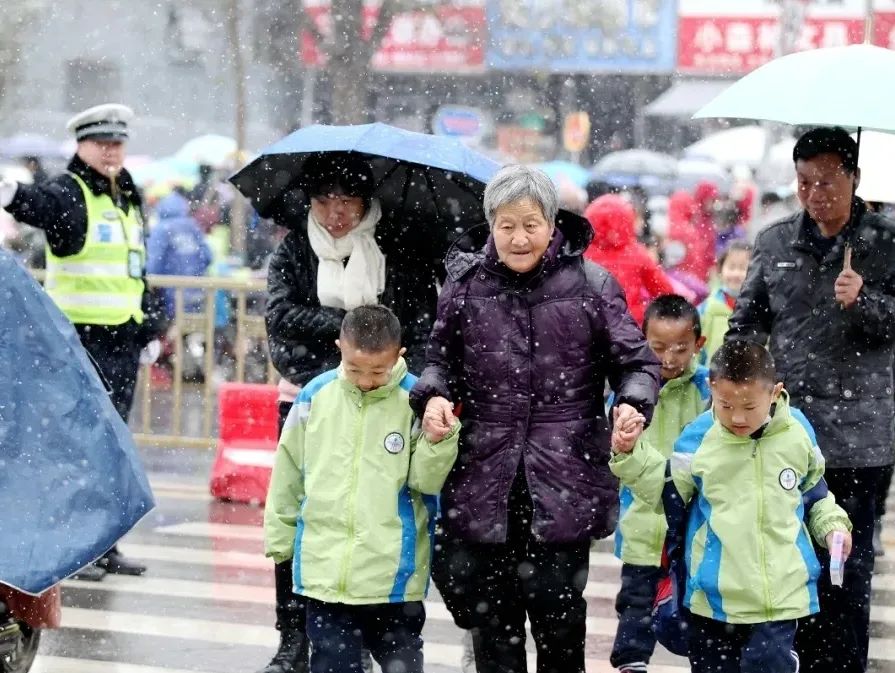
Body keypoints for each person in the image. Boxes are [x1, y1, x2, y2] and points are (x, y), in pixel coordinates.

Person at [410, 165, 660, 673]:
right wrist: (433, 395)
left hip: (563, 477)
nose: (519, 237)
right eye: (506, 225)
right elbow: (438, 361)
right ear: (491, 226)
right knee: (494, 629)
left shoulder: (592, 285)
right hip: (485, 475)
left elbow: (637, 363)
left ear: (552, 223)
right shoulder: (463, 287)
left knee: (560, 625)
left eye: (530, 224)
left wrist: (632, 403)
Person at [263, 152, 439, 673]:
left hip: (389, 401)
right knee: (306, 518)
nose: (335, 214)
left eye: (347, 203)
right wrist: (345, 335)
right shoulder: (295, 250)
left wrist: (386, 368)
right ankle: (293, 634)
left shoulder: (396, 251)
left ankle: (364, 625)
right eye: (323, 202)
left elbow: (416, 327)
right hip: (309, 400)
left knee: (374, 517)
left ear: (366, 204)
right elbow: (279, 318)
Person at [727, 126, 895, 673]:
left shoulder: (887, 241)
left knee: (846, 570)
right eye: (804, 183)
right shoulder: (775, 242)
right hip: (785, 434)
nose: (815, 194)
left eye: (827, 182)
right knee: (784, 567)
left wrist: (864, 300)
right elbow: (746, 325)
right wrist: (734, 387)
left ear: (854, 179)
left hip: (859, 437)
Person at [610, 339, 853, 673]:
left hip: (779, 595)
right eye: (725, 404)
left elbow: (816, 495)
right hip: (714, 595)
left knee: (765, 664)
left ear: (774, 392)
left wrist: (833, 527)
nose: (737, 417)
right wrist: (629, 452)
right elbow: (664, 488)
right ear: (713, 388)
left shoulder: (796, 434)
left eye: (749, 407)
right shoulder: (698, 437)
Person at [0, 103, 152, 581]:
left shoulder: (127, 196)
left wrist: (149, 328)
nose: (111, 151)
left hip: (124, 338)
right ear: (82, 147)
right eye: (101, 142)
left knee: (113, 446)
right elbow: (40, 205)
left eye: (117, 142)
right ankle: (77, 550)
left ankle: (106, 546)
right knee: (81, 448)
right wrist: (12, 193)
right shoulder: (72, 192)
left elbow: (134, 269)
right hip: (80, 341)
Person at [263, 305, 459, 673]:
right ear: (339, 347)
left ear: (398, 355)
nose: (366, 381)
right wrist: (280, 538)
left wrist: (438, 442)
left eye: (377, 372)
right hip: (326, 574)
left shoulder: (416, 399)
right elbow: (287, 474)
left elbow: (426, 482)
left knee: (401, 664)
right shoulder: (313, 396)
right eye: (355, 369)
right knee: (333, 665)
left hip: (393, 576)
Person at [610, 295, 710, 673]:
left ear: (698, 344)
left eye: (681, 348)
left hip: (692, 531)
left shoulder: (708, 392)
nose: (669, 358)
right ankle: (631, 665)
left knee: (698, 608)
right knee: (635, 608)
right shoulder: (632, 390)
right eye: (659, 347)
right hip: (642, 526)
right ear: (642, 339)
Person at [583, 194, 675, 324]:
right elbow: (666, 293)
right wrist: (645, 310)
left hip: (588, 327)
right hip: (628, 327)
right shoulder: (637, 253)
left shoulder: (580, 253)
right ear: (627, 219)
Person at [146, 189, 213, 318]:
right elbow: (208, 256)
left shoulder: (161, 229)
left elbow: (153, 263)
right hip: (196, 291)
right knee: (193, 329)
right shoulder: (193, 226)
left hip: (171, 293)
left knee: (173, 331)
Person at [698, 241, 752, 365]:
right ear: (720, 270)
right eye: (731, 267)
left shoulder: (759, 308)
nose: (736, 274)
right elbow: (696, 346)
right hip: (712, 376)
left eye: (743, 268)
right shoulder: (708, 308)